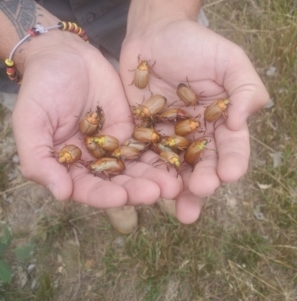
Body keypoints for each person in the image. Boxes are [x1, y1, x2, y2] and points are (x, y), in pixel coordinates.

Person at [0, 0, 269, 233]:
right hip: (25, 55)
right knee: (114, 173)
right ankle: (123, 199)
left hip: (140, 21)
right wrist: (37, 48)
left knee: (156, 170)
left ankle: (165, 188)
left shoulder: (164, 122)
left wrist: (163, 15)